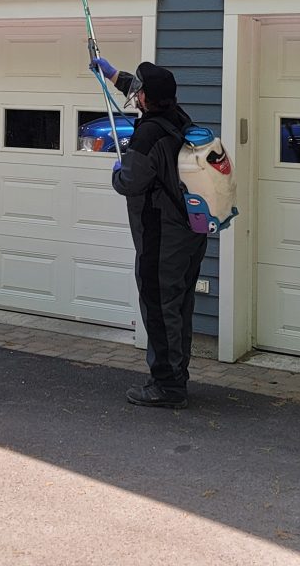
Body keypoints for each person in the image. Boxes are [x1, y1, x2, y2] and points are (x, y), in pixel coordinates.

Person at [91, 57, 207, 409]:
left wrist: (117, 170)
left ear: (145, 98)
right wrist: (112, 75)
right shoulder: (178, 119)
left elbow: (129, 182)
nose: (135, 93)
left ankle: (167, 387)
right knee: (179, 305)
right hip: (190, 234)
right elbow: (142, 90)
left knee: (159, 307)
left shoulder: (147, 135)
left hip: (161, 236)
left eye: (139, 91)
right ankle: (176, 375)